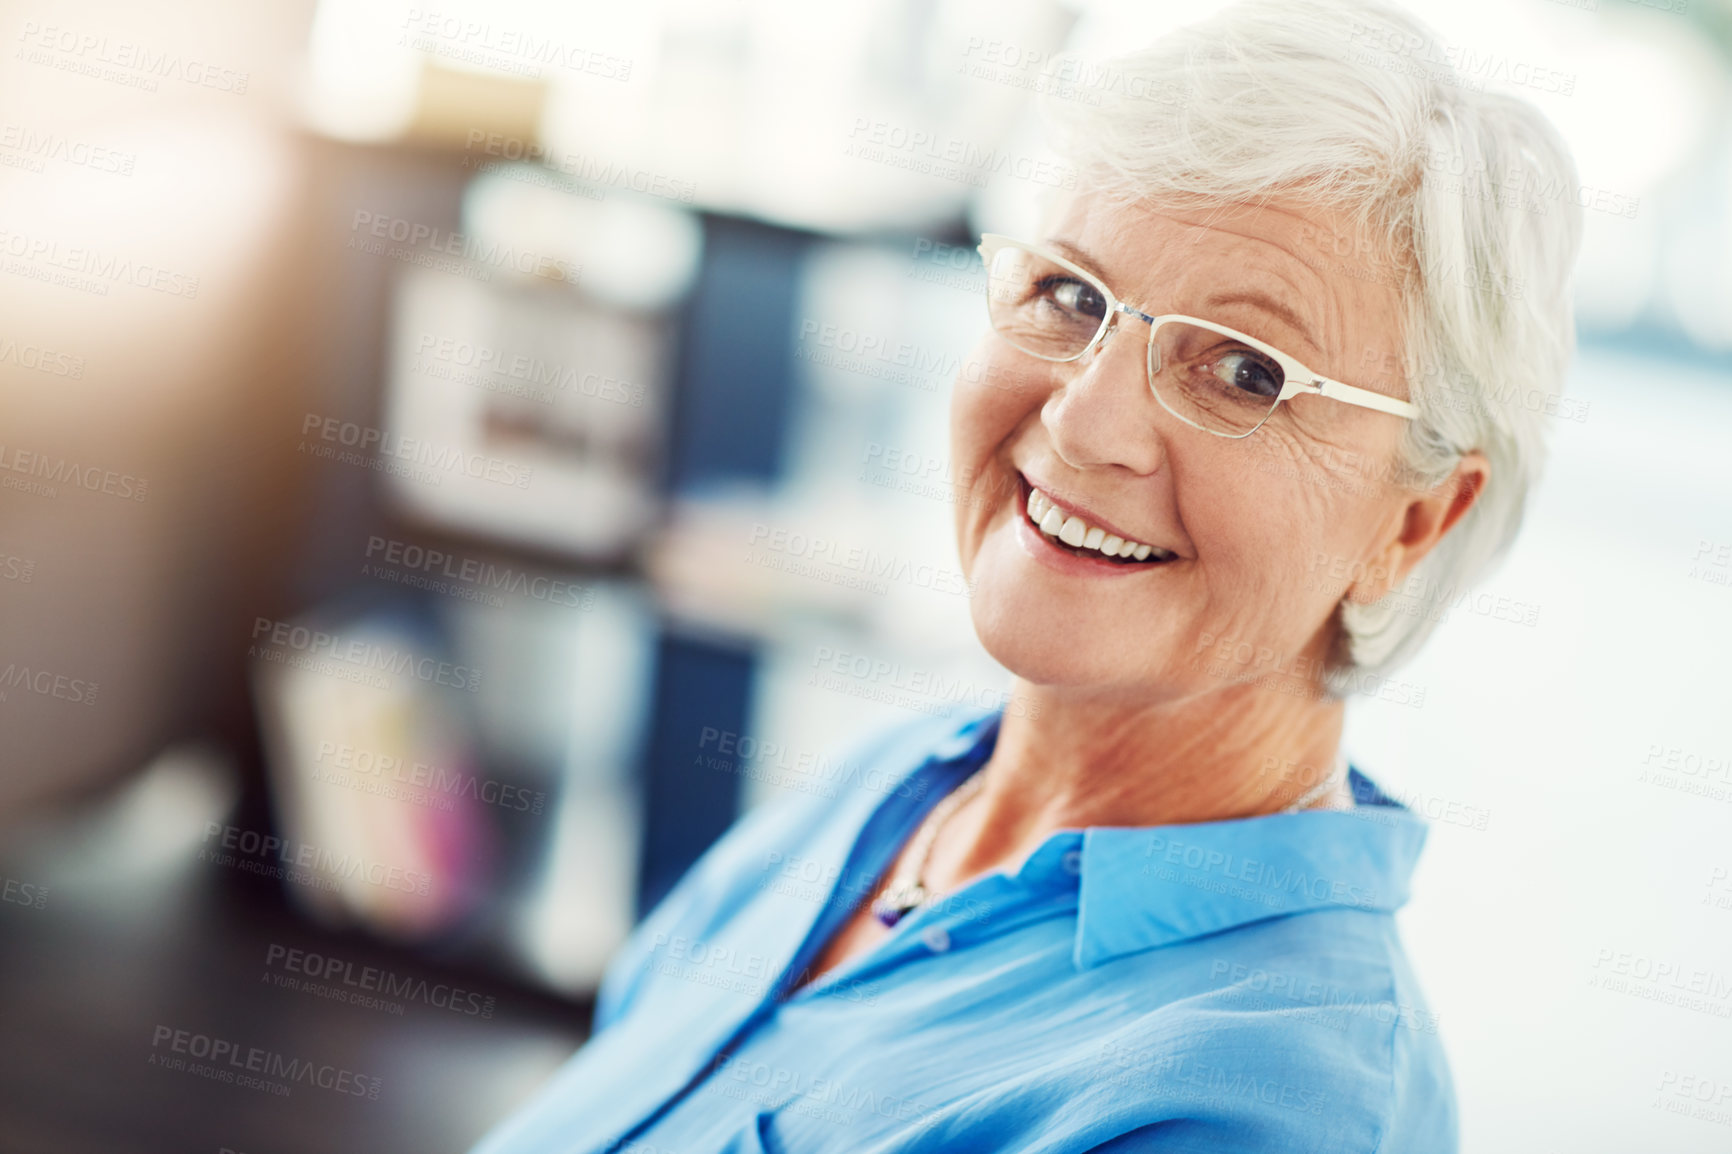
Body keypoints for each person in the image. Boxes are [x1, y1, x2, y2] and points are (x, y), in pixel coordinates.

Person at [471, 0, 1580, 1149]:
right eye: (1070, 294)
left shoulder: (1263, 1106)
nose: (1086, 418)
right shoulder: (897, 789)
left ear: (1417, 520)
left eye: (1247, 372)